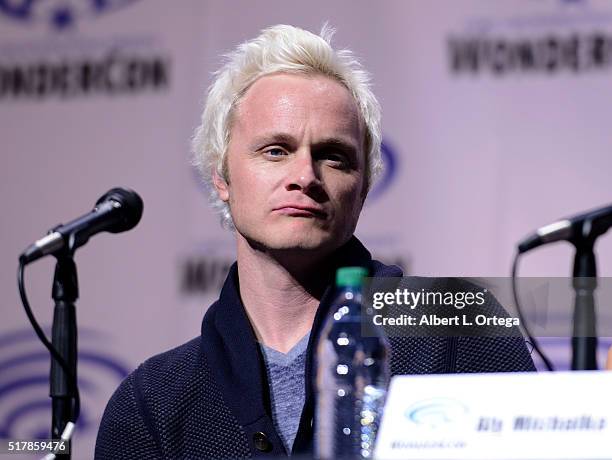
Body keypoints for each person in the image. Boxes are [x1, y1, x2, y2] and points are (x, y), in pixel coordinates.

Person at [95, 24, 536, 459]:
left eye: (333, 156)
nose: (304, 177)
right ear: (221, 176)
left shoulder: (456, 329)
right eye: (275, 151)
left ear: (363, 186)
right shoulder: (151, 403)